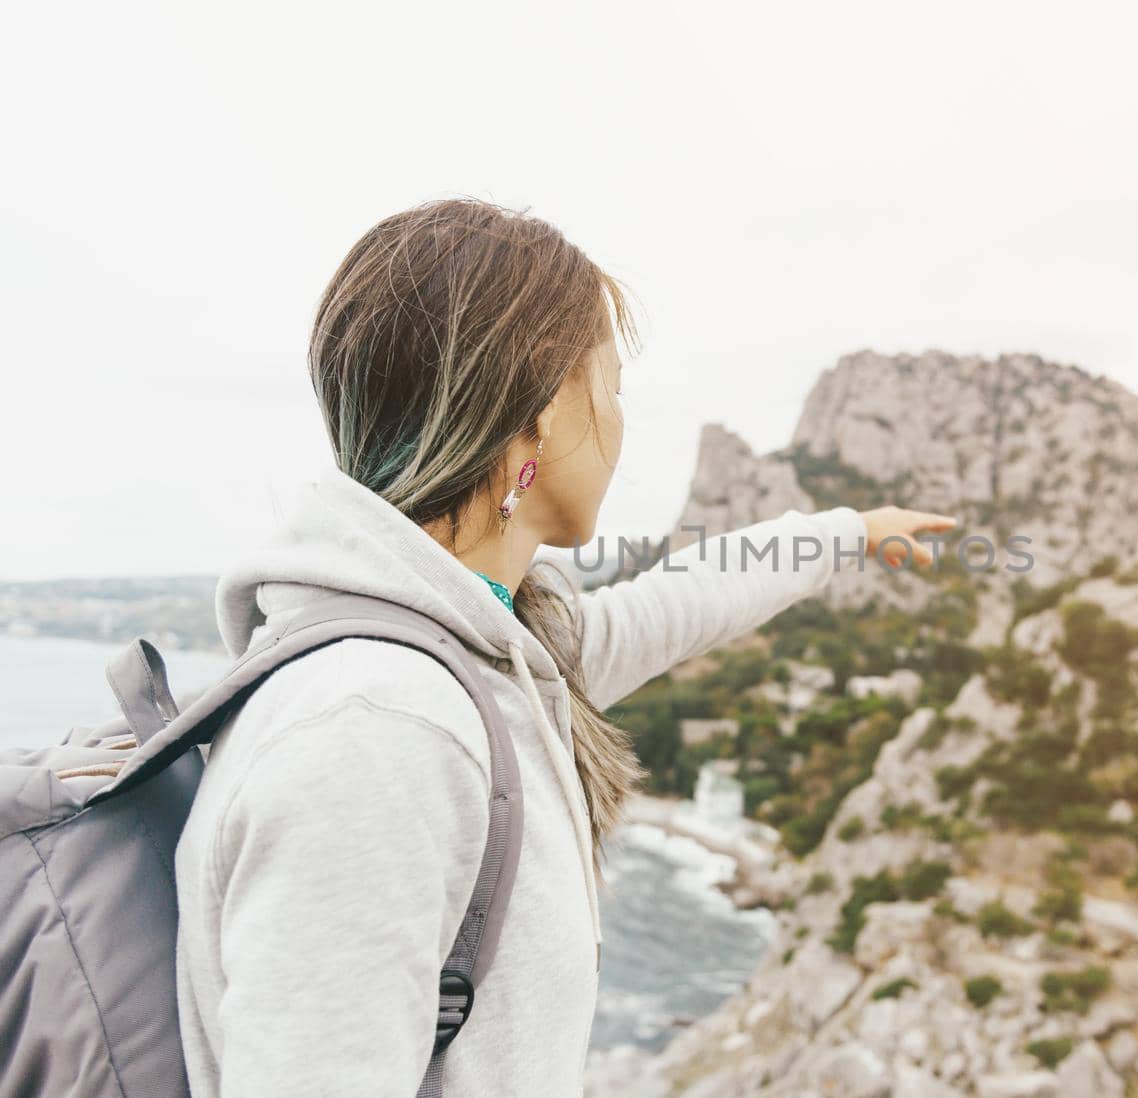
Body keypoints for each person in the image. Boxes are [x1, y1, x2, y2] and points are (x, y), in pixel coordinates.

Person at [170, 196, 956, 1097]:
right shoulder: (378, 731)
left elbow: (676, 602)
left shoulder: (490, 651)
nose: (621, 425)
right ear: (541, 412)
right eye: (611, 389)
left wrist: (848, 530)